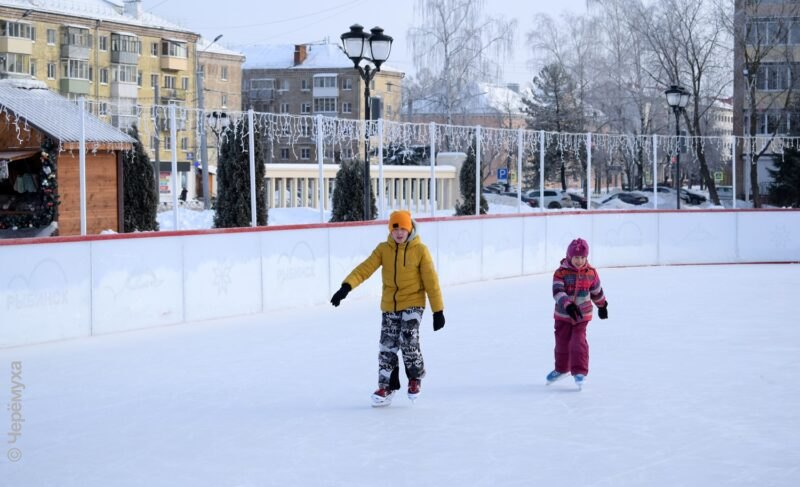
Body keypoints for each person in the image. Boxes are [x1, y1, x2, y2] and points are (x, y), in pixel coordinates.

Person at [330, 210, 445, 407]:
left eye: (403, 229)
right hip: (390, 305)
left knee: (408, 339)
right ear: (390, 230)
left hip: (413, 302)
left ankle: (415, 378)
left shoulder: (420, 250)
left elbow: (431, 282)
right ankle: (387, 386)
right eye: (395, 229)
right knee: (387, 347)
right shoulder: (384, 250)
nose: (399, 233)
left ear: (410, 229)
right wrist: (346, 287)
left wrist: (438, 311)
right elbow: (365, 269)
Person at [546, 238, 608, 390]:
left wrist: (602, 305)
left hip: (582, 315)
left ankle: (579, 371)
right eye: (576, 257)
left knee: (577, 341)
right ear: (569, 256)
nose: (579, 261)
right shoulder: (561, 273)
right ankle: (561, 369)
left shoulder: (591, 273)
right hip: (563, 315)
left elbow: (596, 291)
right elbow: (557, 291)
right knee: (562, 342)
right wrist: (568, 305)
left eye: (582, 257)